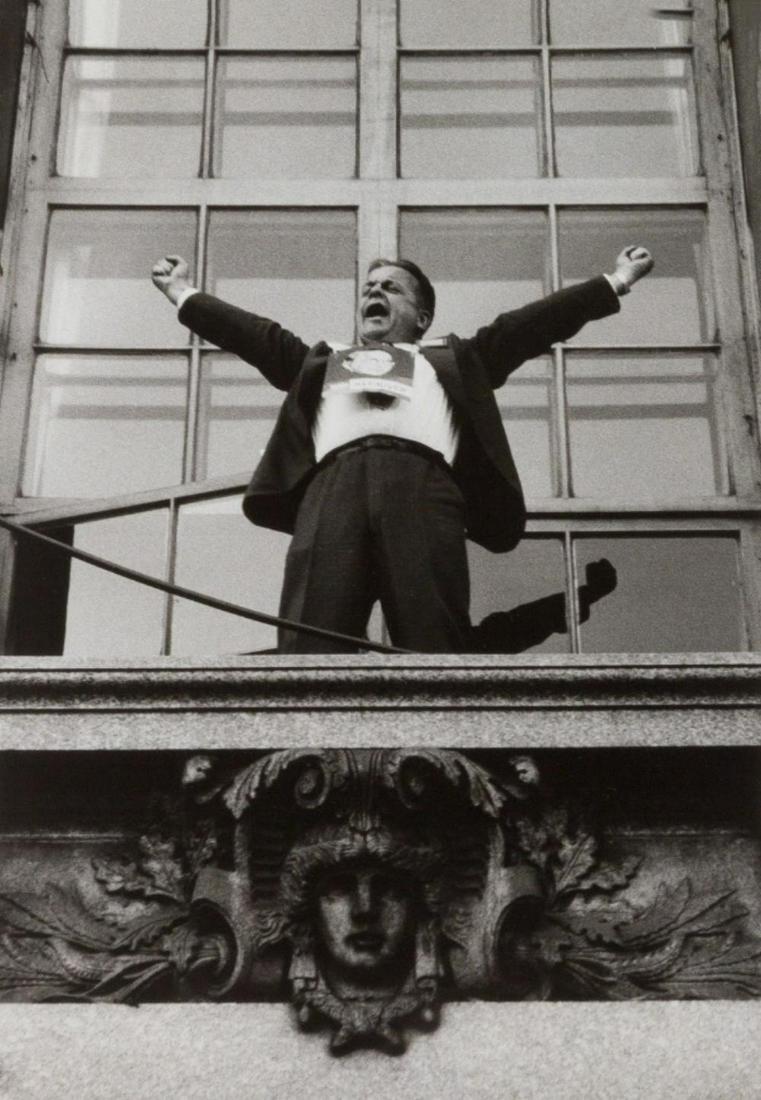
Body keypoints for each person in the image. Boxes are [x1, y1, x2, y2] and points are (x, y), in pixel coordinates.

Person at [152, 245, 653, 653]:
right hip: (334, 486)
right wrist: (182, 292)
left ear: (421, 317)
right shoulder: (324, 361)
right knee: (311, 636)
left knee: (431, 631)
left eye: (390, 288)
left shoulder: (454, 359)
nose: (375, 293)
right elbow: (255, 335)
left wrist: (616, 280)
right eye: (369, 288)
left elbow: (531, 324)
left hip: (422, 486)